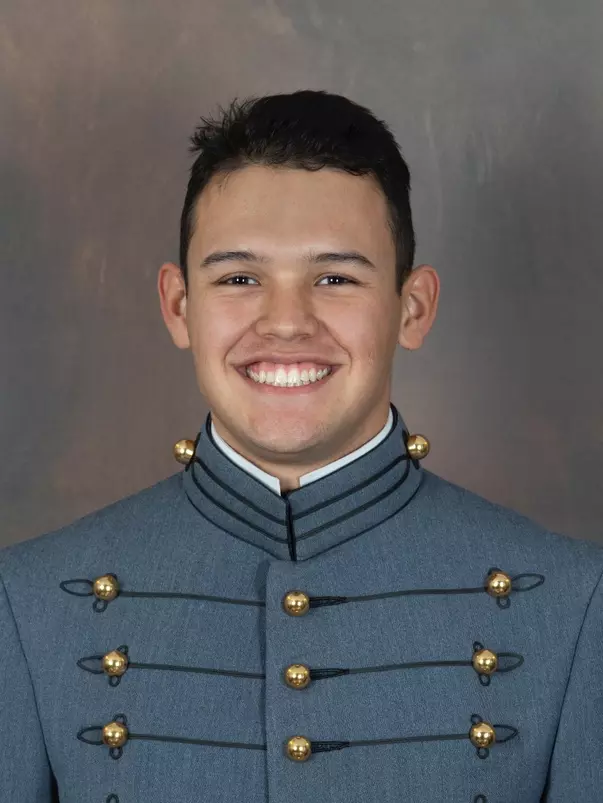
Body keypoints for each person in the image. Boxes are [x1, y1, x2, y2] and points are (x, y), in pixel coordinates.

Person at [0, 90, 601, 803]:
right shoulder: (28, 603)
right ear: (178, 307)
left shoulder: (572, 604)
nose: (286, 322)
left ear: (412, 308)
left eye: (335, 278)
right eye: (240, 278)